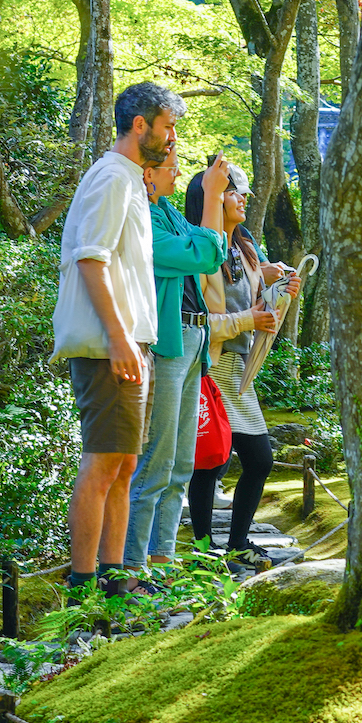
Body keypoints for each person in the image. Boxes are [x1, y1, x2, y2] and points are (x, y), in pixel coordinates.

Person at [52, 82, 185, 599]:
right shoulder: (110, 177)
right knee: (105, 460)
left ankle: (114, 577)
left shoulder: (132, 178)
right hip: (111, 346)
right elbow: (91, 257)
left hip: (131, 344)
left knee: (125, 462)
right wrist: (119, 338)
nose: (171, 138)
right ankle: (84, 584)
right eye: (167, 126)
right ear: (140, 125)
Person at [183, 163, 299, 571]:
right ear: (211, 198)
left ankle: (236, 542)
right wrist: (252, 317)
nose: (243, 197)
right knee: (210, 459)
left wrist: (279, 291)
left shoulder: (246, 249)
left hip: (239, 370)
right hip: (210, 365)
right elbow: (198, 319)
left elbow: (256, 303)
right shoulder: (197, 250)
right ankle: (202, 549)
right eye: (234, 192)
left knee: (260, 459)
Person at [125, 148, 231, 585]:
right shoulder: (143, 220)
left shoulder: (166, 210)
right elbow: (201, 256)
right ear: (148, 175)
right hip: (169, 342)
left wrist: (211, 213)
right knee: (156, 459)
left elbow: (212, 251)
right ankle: (132, 566)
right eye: (171, 169)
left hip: (195, 338)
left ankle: (163, 559)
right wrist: (210, 198)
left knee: (181, 461)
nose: (178, 175)